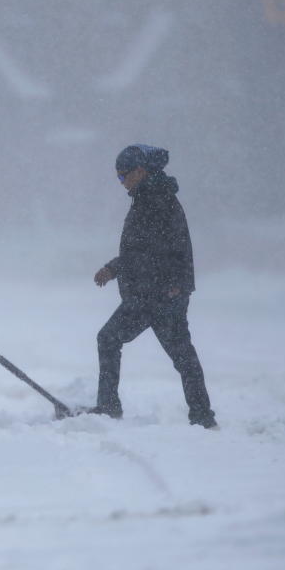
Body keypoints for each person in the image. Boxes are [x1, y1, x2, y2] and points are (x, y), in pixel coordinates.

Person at [91, 145, 217, 428]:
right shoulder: (148, 197)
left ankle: (110, 407)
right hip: (152, 293)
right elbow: (140, 251)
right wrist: (113, 268)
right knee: (182, 355)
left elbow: (170, 248)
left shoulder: (157, 199)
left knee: (111, 339)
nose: (121, 182)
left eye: (123, 176)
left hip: (155, 295)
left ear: (140, 171)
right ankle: (202, 416)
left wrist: (174, 285)